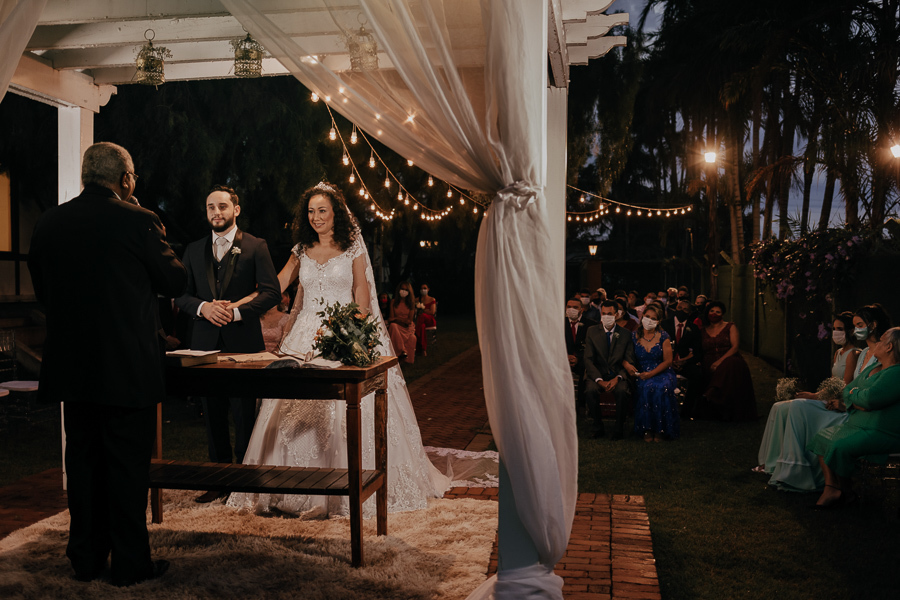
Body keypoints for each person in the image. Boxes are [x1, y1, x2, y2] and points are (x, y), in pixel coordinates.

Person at [228, 182, 448, 517]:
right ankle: (287, 488)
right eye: (311, 212)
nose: (316, 217)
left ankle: (345, 490)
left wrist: (354, 331)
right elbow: (276, 285)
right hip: (303, 338)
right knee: (291, 408)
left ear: (336, 214)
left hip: (342, 330)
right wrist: (236, 306)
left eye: (322, 211)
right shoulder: (301, 249)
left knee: (347, 406)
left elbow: (361, 291)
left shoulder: (352, 247)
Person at [28, 142, 187, 586]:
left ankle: (85, 558)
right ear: (125, 179)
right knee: (127, 468)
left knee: (83, 465)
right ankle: (130, 564)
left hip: (72, 368)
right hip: (127, 367)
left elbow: (42, 290)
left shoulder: (49, 222)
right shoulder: (139, 220)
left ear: (86, 177)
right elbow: (174, 279)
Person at [175, 185, 280, 502]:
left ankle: (245, 484)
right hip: (203, 346)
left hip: (244, 343)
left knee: (245, 413)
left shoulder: (255, 246)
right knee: (212, 414)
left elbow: (271, 292)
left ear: (236, 209)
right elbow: (180, 294)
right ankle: (218, 481)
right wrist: (203, 308)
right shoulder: (193, 249)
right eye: (211, 207)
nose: (216, 212)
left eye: (222, 206)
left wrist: (235, 313)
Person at [755, 311, 863, 492]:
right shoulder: (838, 353)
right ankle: (772, 463)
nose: (836, 333)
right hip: (829, 398)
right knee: (778, 407)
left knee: (798, 405)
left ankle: (795, 467)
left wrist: (815, 396)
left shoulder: (853, 353)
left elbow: (843, 386)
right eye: (834, 329)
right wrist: (815, 394)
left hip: (839, 404)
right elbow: (832, 383)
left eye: (840, 329)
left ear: (850, 331)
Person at [807, 327, 900, 509]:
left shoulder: (896, 373)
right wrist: (858, 398)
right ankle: (832, 487)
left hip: (880, 431)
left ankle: (846, 491)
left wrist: (856, 396)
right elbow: (848, 390)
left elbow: (870, 399)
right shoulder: (874, 367)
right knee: (821, 438)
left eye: (881, 340)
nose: (877, 343)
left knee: (839, 446)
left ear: (889, 347)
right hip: (857, 425)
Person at [624, 305, 679, 441]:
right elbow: (624, 355)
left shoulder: (663, 336)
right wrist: (628, 366)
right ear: (642, 317)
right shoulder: (633, 336)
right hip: (642, 372)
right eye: (647, 317)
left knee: (661, 387)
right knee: (646, 387)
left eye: (653, 318)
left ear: (658, 321)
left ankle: (661, 429)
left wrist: (652, 373)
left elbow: (668, 361)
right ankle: (647, 429)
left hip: (662, 371)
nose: (649, 320)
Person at [583, 300, 636, 440]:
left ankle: (619, 428)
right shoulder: (592, 331)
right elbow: (588, 359)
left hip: (617, 375)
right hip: (597, 374)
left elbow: (629, 359)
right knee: (590, 390)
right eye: (604, 313)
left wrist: (618, 378)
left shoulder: (626, 334)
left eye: (610, 314)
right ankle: (597, 427)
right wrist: (599, 380)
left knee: (622, 391)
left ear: (616, 315)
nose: (606, 317)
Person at [698, 301, 757, 421]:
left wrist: (719, 362)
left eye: (718, 312)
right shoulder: (703, 330)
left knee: (731, 364)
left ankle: (711, 393)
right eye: (712, 311)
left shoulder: (730, 326)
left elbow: (735, 347)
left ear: (722, 314)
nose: (714, 314)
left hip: (729, 358)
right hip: (709, 361)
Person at [661, 299, 703, 418]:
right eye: (679, 308)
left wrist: (684, 362)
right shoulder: (664, 325)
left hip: (685, 363)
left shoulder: (693, 328)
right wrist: (669, 362)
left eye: (685, 309)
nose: (681, 311)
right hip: (665, 362)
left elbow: (698, 352)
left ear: (689, 313)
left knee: (697, 375)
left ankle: (687, 411)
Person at [566, 296, 598, 384]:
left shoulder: (592, 325)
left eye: (575, 307)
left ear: (582, 309)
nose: (571, 309)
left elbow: (593, 347)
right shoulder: (560, 323)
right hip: (562, 362)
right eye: (569, 307)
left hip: (584, 364)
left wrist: (578, 359)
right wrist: (566, 357)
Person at [388, 281, 417, 363]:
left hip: (407, 328)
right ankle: (402, 351)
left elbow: (409, 321)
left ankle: (405, 357)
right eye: (402, 289)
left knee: (412, 337)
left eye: (406, 290)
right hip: (396, 326)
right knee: (393, 326)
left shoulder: (411, 304)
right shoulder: (393, 302)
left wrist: (397, 319)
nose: (403, 291)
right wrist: (399, 320)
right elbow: (391, 318)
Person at [415, 283, 437, 356]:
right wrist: (426, 310)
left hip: (429, 320)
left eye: (425, 288)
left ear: (428, 289)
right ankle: (423, 349)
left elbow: (432, 312)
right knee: (422, 326)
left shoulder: (432, 299)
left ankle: (416, 333)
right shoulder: (417, 299)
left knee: (422, 315)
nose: (423, 290)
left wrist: (422, 310)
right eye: (421, 288)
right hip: (421, 322)